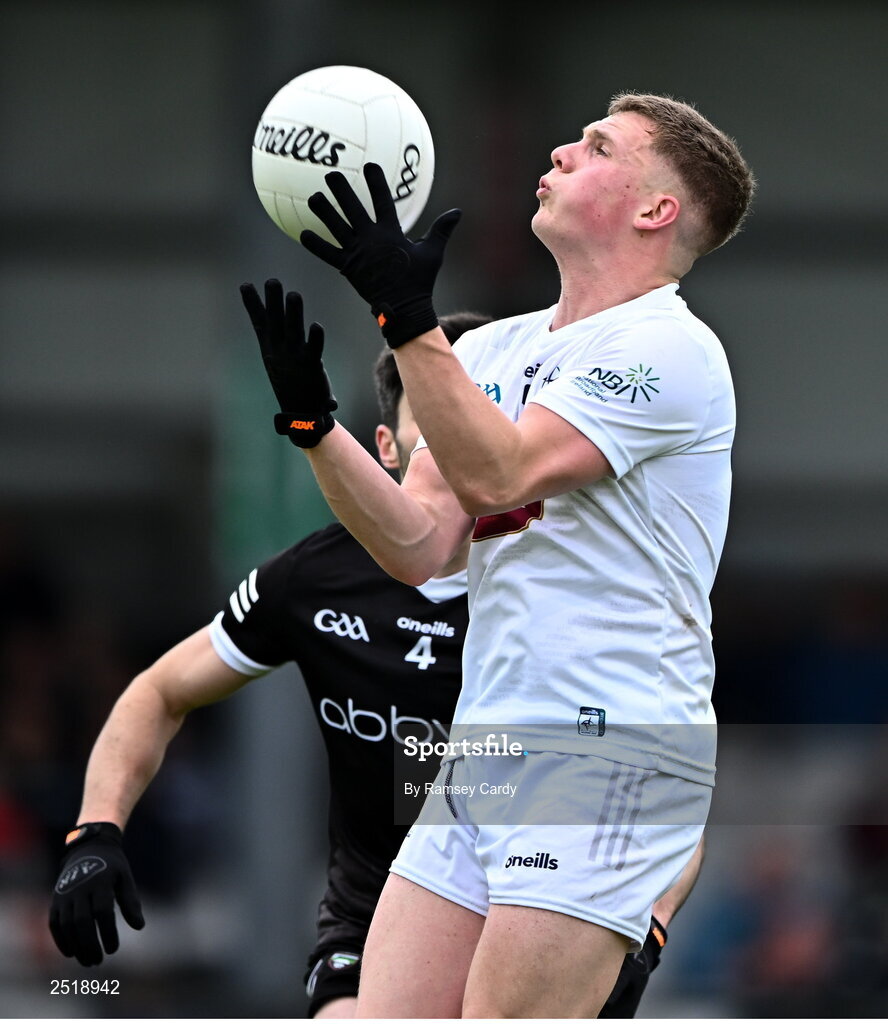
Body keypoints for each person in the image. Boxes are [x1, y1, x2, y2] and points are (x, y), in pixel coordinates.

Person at [46, 301, 699, 1018]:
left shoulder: (564, 586)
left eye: (485, 401)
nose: (464, 421)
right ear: (386, 445)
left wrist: (652, 925)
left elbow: (662, 764)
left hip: (527, 904)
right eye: (440, 405)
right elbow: (160, 692)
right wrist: (95, 829)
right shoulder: (314, 579)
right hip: (367, 918)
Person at [261, 91, 754, 1018]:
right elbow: (420, 544)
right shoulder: (490, 348)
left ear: (657, 211)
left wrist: (406, 318)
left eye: (599, 146)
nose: (563, 149)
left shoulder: (672, 349)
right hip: (486, 747)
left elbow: (505, 472)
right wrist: (314, 426)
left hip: (609, 745)